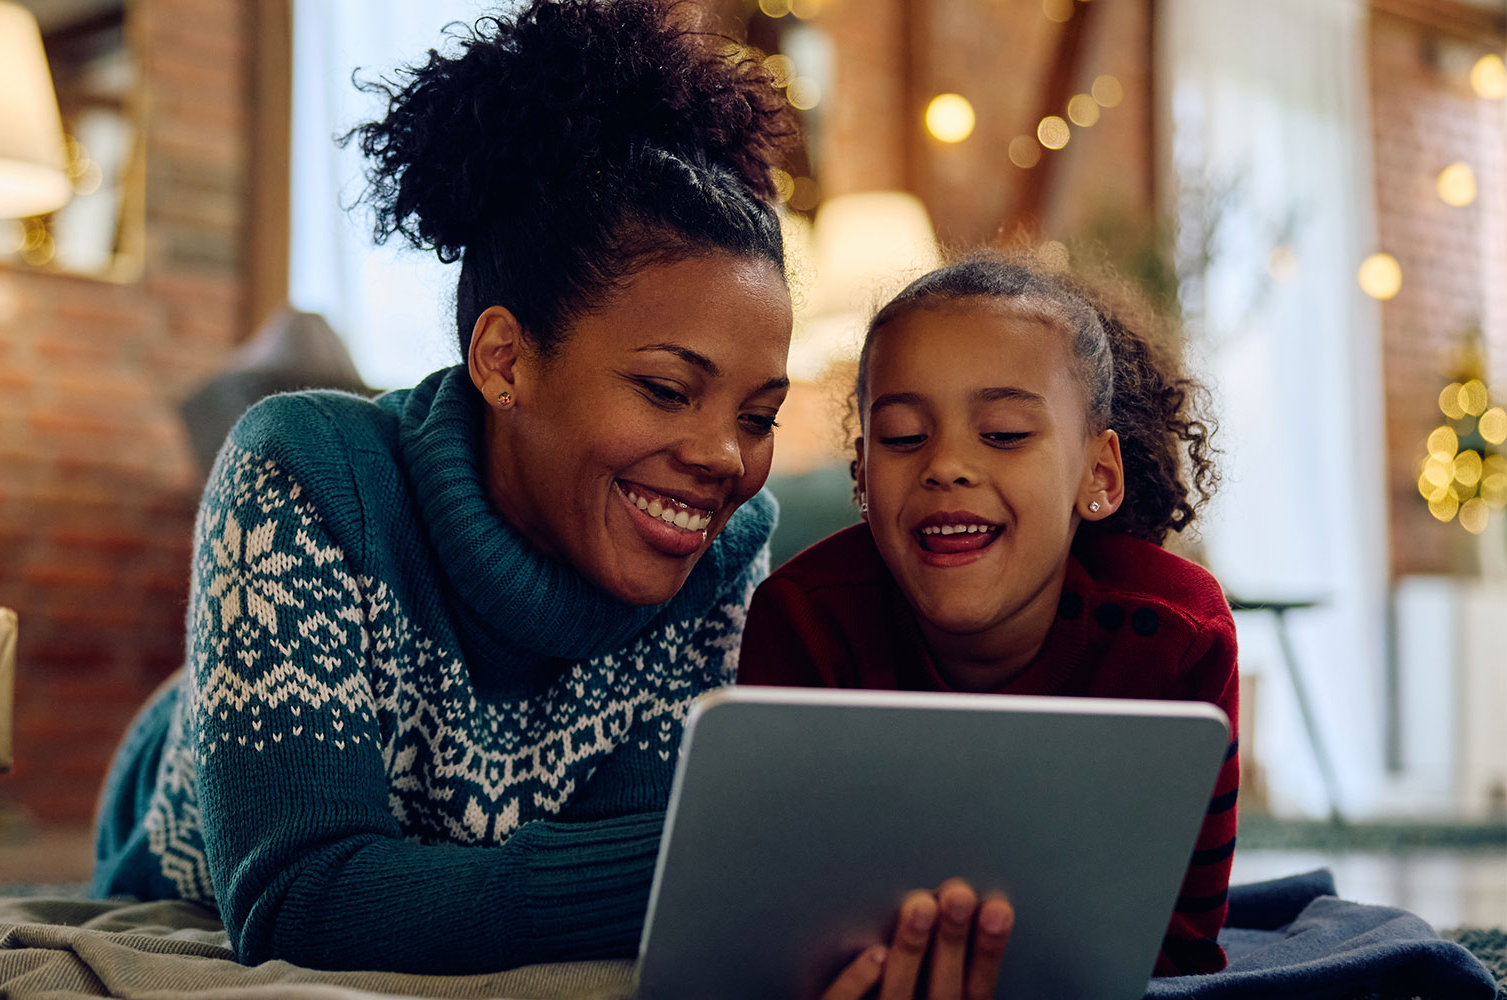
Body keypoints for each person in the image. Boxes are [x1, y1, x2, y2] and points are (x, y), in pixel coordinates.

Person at [94, 1, 1010, 992]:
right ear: (503, 359)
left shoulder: (723, 552)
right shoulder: (305, 472)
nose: (722, 459)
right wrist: (745, 860)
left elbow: (620, 856)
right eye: (666, 388)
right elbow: (300, 897)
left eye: (756, 416)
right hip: (175, 832)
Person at [739, 252, 1240, 977]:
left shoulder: (1177, 639)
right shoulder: (803, 621)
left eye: (1003, 433)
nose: (945, 465)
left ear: (1098, 477)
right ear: (863, 476)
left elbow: (1182, 949)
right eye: (904, 437)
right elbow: (775, 921)